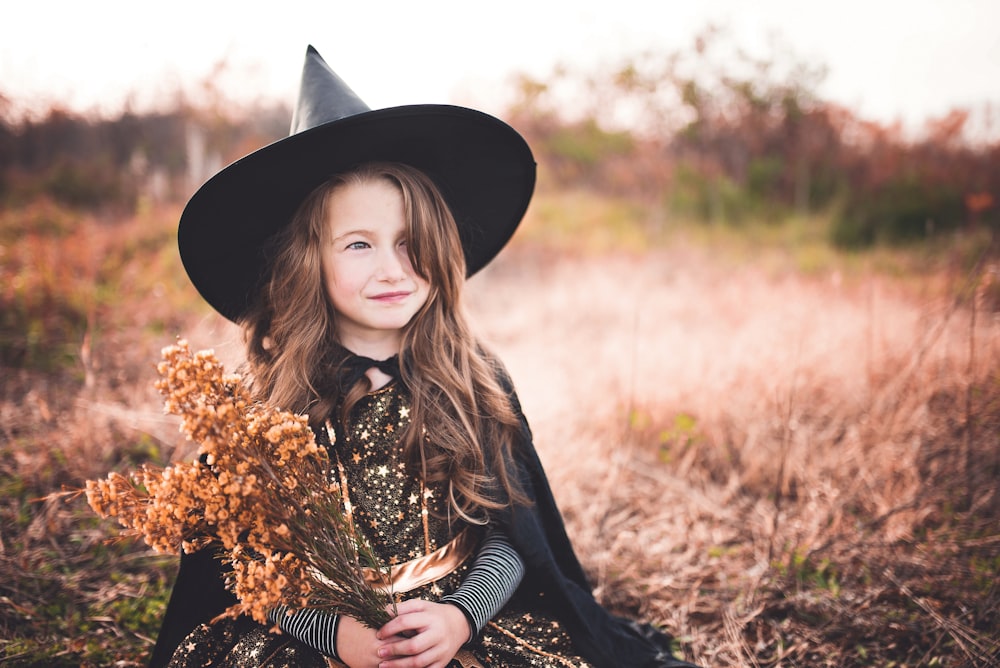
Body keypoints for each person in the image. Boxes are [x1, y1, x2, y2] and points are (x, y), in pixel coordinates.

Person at [149, 46, 699, 668]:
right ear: (308, 262)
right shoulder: (268, 402)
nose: (394, 269)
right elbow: (247, 563)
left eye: (412, 242)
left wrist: (461, 617)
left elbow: (511, 536)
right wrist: (337, 637)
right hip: (316, 631)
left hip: (452, 616)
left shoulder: (471, 378)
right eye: (359, 244)